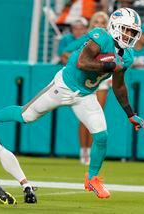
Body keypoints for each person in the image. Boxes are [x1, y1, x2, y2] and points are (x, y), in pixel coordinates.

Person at [0, 8, 144, 199]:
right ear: (115, 26)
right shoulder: (101, 37)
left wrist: (130, 114)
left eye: (133, 32)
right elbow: (82, 63)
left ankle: (92, 179)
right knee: (25, 116)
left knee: (102, 136)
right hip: (63, 86)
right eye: (126, 30)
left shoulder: (127, 56)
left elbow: (119, 86)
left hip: (86, 95)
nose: (129, 35)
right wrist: (107, 65)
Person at [60, 11, 109, 165]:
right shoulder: (87, 39)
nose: (99, 25)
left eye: (102, 22)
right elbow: (65, 53)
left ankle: (93, 152)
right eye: (96, 22)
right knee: (85, 117)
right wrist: (79, 65)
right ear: (91, 24)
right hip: (84, 78)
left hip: (101, 79)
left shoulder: (110, 41)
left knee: (96, 115)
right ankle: (84, 151)